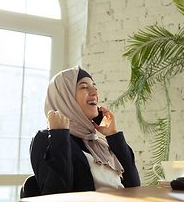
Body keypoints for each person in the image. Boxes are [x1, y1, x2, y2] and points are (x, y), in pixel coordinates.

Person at [30, 65, 140, 195]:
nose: (95, 92)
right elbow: (56, 195)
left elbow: (134, 186)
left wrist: (113, 135)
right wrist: (59, 135)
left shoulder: (99, 143)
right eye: (84, 87)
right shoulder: (46, 139)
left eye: (95, 87)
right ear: (66, 97)